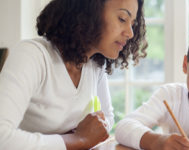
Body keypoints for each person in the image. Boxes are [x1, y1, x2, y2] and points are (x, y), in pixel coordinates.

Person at [0, 0, 147, 149]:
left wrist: (84, 135)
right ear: (89, 10)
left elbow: (106, 118)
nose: (130, 33)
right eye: (122, 19)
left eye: (133, 24)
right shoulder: (32, 55)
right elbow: (2, 137)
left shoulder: (95, 64)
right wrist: (78, 139)